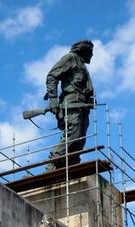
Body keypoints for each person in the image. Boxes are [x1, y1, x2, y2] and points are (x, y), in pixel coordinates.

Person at [44, 39, 95, 170]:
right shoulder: (70, 58)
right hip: (72, 103)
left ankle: (72, 165)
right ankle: (53, 163)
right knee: (73, 134)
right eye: (90, 51)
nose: (92, 54)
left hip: (83, 106)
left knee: (80, 139)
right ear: (83, 49)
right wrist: (53, 99)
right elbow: (52, 76)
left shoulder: (82, 65)